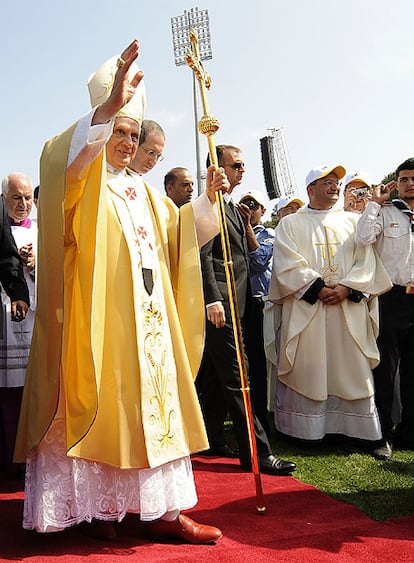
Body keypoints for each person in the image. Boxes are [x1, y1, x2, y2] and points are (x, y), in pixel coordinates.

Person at [14, 40, 230, 544]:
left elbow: (180, 242)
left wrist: (207, 202)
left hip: (151, 327)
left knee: (156, 406)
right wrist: (105, 108)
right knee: (101, 408)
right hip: (100, 326)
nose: (128, 141)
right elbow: (61, 176)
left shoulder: (146, 192)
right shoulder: (82, 183)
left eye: (135, 132)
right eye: (120, 129)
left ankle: (164, 511)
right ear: (102, 128)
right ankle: (97, 508)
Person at [269, 164, 392, 444]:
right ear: (310, 189)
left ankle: (355, 431)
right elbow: (286, 263)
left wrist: (348, 288)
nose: (335, 186)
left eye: (337, 182)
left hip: (346, 308)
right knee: (309, 366)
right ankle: (305, 431)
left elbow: (366, 259)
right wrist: (317, 287)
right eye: (327, 182)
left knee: (349, 367)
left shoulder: (352, 221)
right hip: (308, 309)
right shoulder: (290, 224)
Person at [196, 145, 296, 476]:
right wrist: (213, 299)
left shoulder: (232, 209)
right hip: (219, 307)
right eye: (235, 165)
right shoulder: (208, 207)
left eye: (243, 165)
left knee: (213, 379)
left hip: (235, 305)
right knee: (240, 379)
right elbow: (204, 256)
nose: (241, 170)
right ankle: (259, 453)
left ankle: (210, 436)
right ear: (217, 169)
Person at [356, 157, 414, 460]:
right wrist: (375, 203)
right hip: (392, 299)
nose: (409, 184)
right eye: (403, 179)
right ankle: (381, 436)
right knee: (386, 369)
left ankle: (409, 433)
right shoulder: (387, 211)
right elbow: (363, 237)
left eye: (413, 178)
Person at [0, 174, 36, 476]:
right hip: (4, 324)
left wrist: (36, 264)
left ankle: (34, 458)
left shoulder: (41, 232)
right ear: (3, 199)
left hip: (35, 320)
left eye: (27, 198)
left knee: (33, 391)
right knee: (7, 392)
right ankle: (10, 458)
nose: (23, 204)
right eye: (16, 198)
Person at [238, 190, 274, 436]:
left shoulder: (269, 234)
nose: (250, 209)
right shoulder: (232, 230)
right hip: (238, 303)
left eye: (255, 205)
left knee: (259, 363)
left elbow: (259, 260)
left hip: (260, 303)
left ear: (263, 210)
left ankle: (261, 417)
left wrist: (246, 227)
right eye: (245, 204)